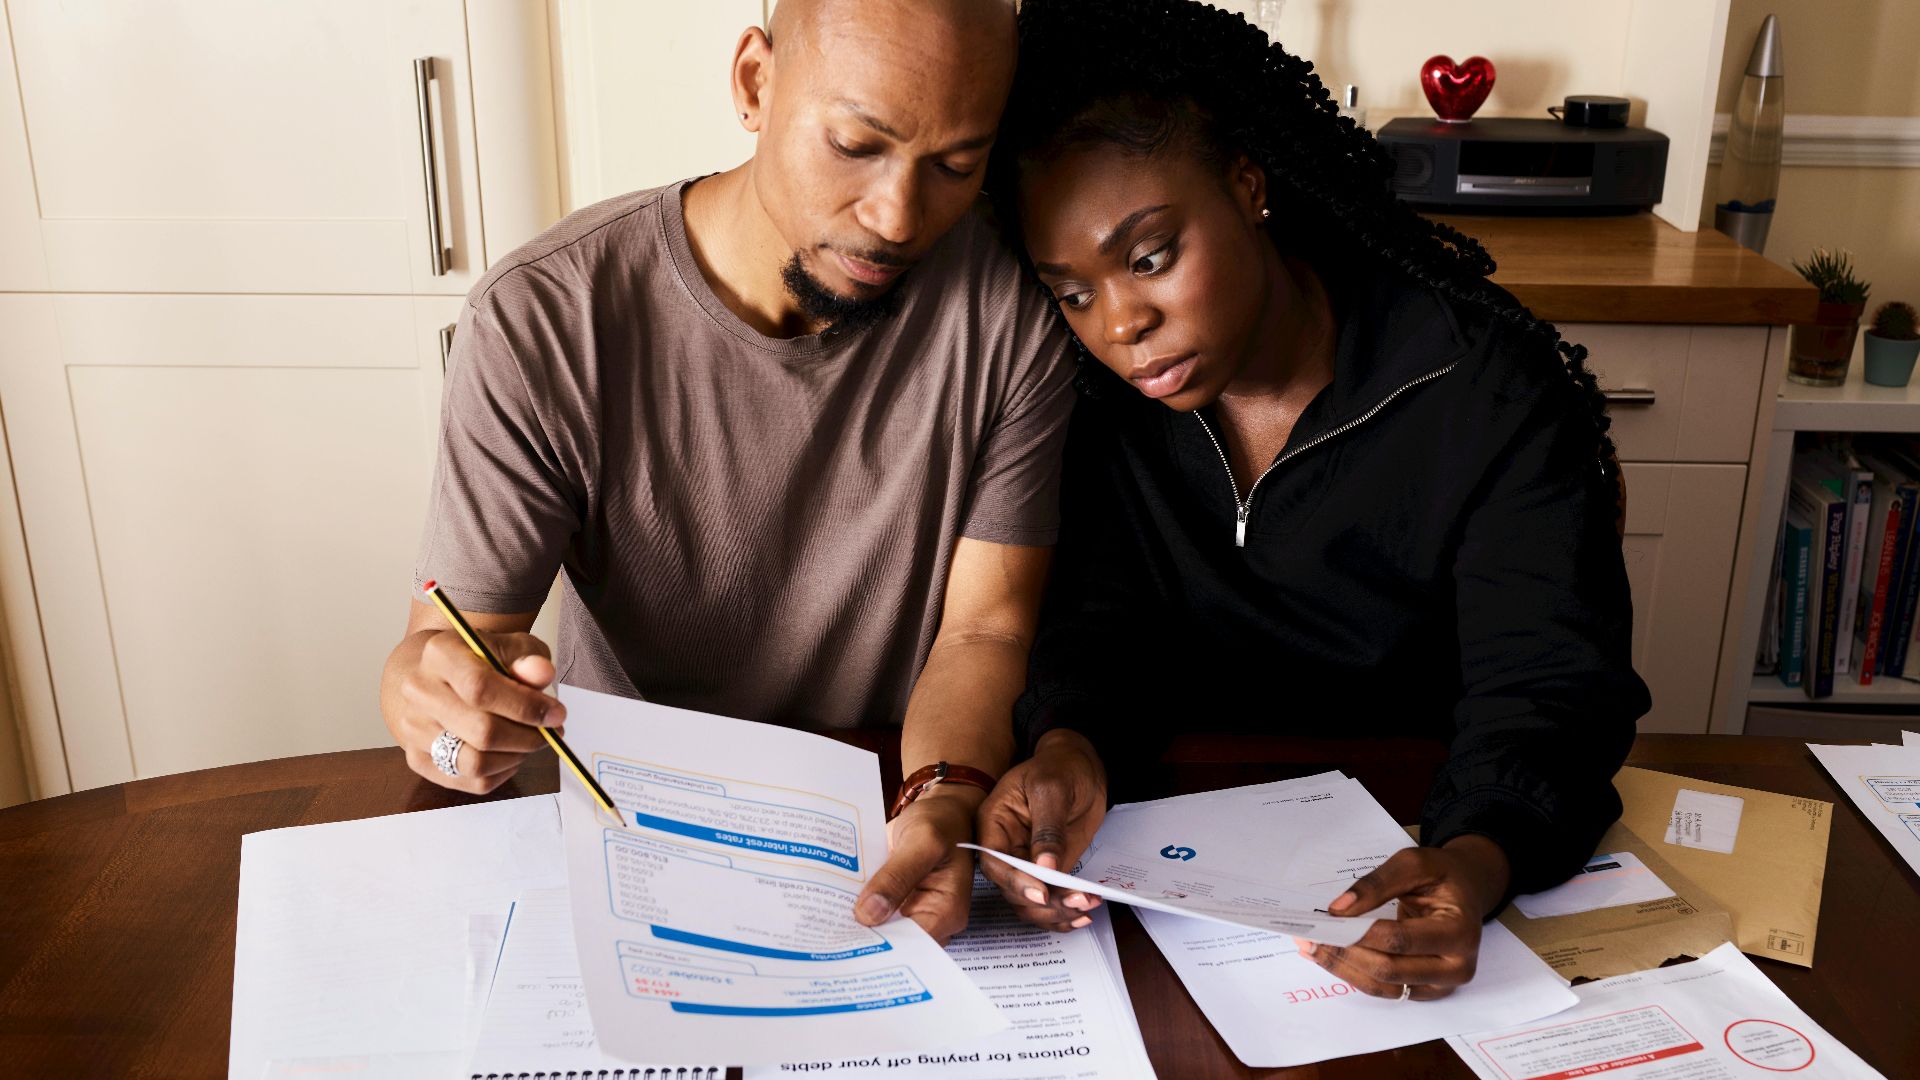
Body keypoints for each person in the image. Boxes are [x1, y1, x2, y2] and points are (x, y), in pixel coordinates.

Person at [970, 0, 1652, 999]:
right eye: (1072, 291)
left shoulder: (1481, 390)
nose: (1122, 324)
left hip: (1419, 843)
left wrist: (1474, 861)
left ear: (1248, 185)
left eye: (1151, 256)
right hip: (1164, 883)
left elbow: (1549, 685)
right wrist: (1070, 743)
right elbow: (1100, 622)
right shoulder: (1094, 406)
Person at [379, 0, 1068, 944]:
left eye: (955, 165)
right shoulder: (547, 318)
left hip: (880, 810)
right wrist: (441, 711)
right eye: (855, 145)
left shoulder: (1009, 317)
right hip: (626, 827)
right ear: (754, 82)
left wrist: (943, 798)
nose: (897, 218)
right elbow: (456, 645)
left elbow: (985, 631)